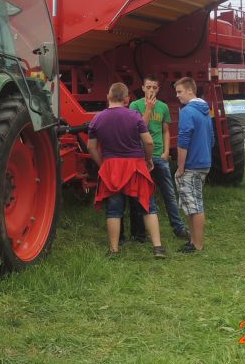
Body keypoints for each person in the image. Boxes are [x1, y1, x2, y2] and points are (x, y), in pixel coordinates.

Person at [88, 82, 167, 258]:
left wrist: (103, 165)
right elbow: (148, 142)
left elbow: (91, 147)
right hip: (135, 166)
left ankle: (114, 249)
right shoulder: (134, 116)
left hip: (112, 167)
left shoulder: (97, 119)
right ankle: (158, 247)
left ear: (108, 97)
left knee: (114, 210)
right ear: (126, 99)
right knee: (148, 206)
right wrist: (148, 160)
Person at [129, 75, 191, 241]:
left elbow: (165, 131)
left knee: (169, 194)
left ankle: (178, 228)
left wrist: (165, 152)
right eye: (148, 87)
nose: (151, 90)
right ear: (143, 88)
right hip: (141, 157)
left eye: (154, 88)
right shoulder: (134, 106)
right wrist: (148, 109)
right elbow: (138, 128)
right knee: (142, 196)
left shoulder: (163, 107)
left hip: (159, 157)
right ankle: (141, 233)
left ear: (158, 89)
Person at [174, 77, 213, 253]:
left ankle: (197, 244)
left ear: (190, 90)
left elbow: (183, 142)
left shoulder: (187, 111)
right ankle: (193, 240)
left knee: (195, 205)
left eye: (179, 91)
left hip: (192, 164)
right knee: (192, 203)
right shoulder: (205, 110)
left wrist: (180, 167)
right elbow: (211, 138)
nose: (177, 96)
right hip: (204, 162)